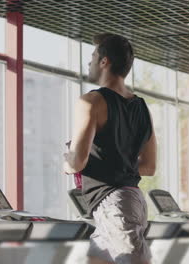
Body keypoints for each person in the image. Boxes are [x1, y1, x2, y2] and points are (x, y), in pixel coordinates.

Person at [63, 33, 157, 264]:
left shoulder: (91, 101)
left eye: (93, 56)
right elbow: (149, 167)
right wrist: (119, 161)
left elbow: (77, 162)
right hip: (130, 200)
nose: (89, 62)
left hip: (113, 204)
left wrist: (66, 160)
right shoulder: (142, 107)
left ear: (104, 61)